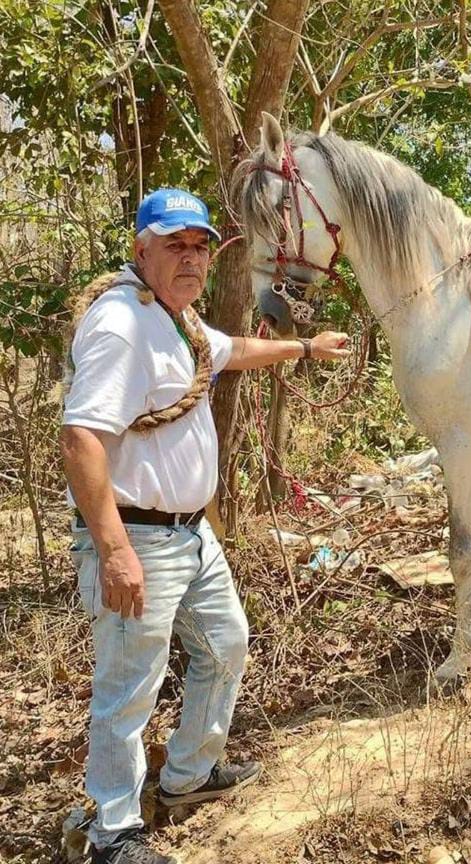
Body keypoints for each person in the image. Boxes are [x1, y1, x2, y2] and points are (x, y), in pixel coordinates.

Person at [61, 188, 349, 864]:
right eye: (173, 245)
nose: (190, 258)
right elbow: (81, 439)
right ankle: (112, 831)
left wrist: (305, 346)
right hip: (140, 538)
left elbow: (230, 350)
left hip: (190, 535)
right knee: (129, 686)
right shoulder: (122, 325)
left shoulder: (178, 320)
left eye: (199, 247)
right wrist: (115, 552)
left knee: (224, 644)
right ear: (140, 250)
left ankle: (189, 774)